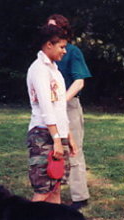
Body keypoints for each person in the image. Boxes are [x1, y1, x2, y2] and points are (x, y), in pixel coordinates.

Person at [26, 25, 77, 204]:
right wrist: (56, 139)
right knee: (43, 189)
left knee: (55, 187)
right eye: (61, 47)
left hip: (57, 134)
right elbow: (46, 108)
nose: (64, 51)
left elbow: (59, 107)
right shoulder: (39, 69)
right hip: (43, 134)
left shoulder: (54, 70)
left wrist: (68, 136)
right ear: (49, 44)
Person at [47, 14, 91, 210]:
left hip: (69, 105)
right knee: (51, 149)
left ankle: (79, 196)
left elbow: (79, 81)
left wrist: (61, 102)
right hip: (49, 109)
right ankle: (51, 193)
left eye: (54, 28)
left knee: (74, 150)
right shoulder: (45, 55)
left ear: (64, 31)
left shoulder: (73, 52)